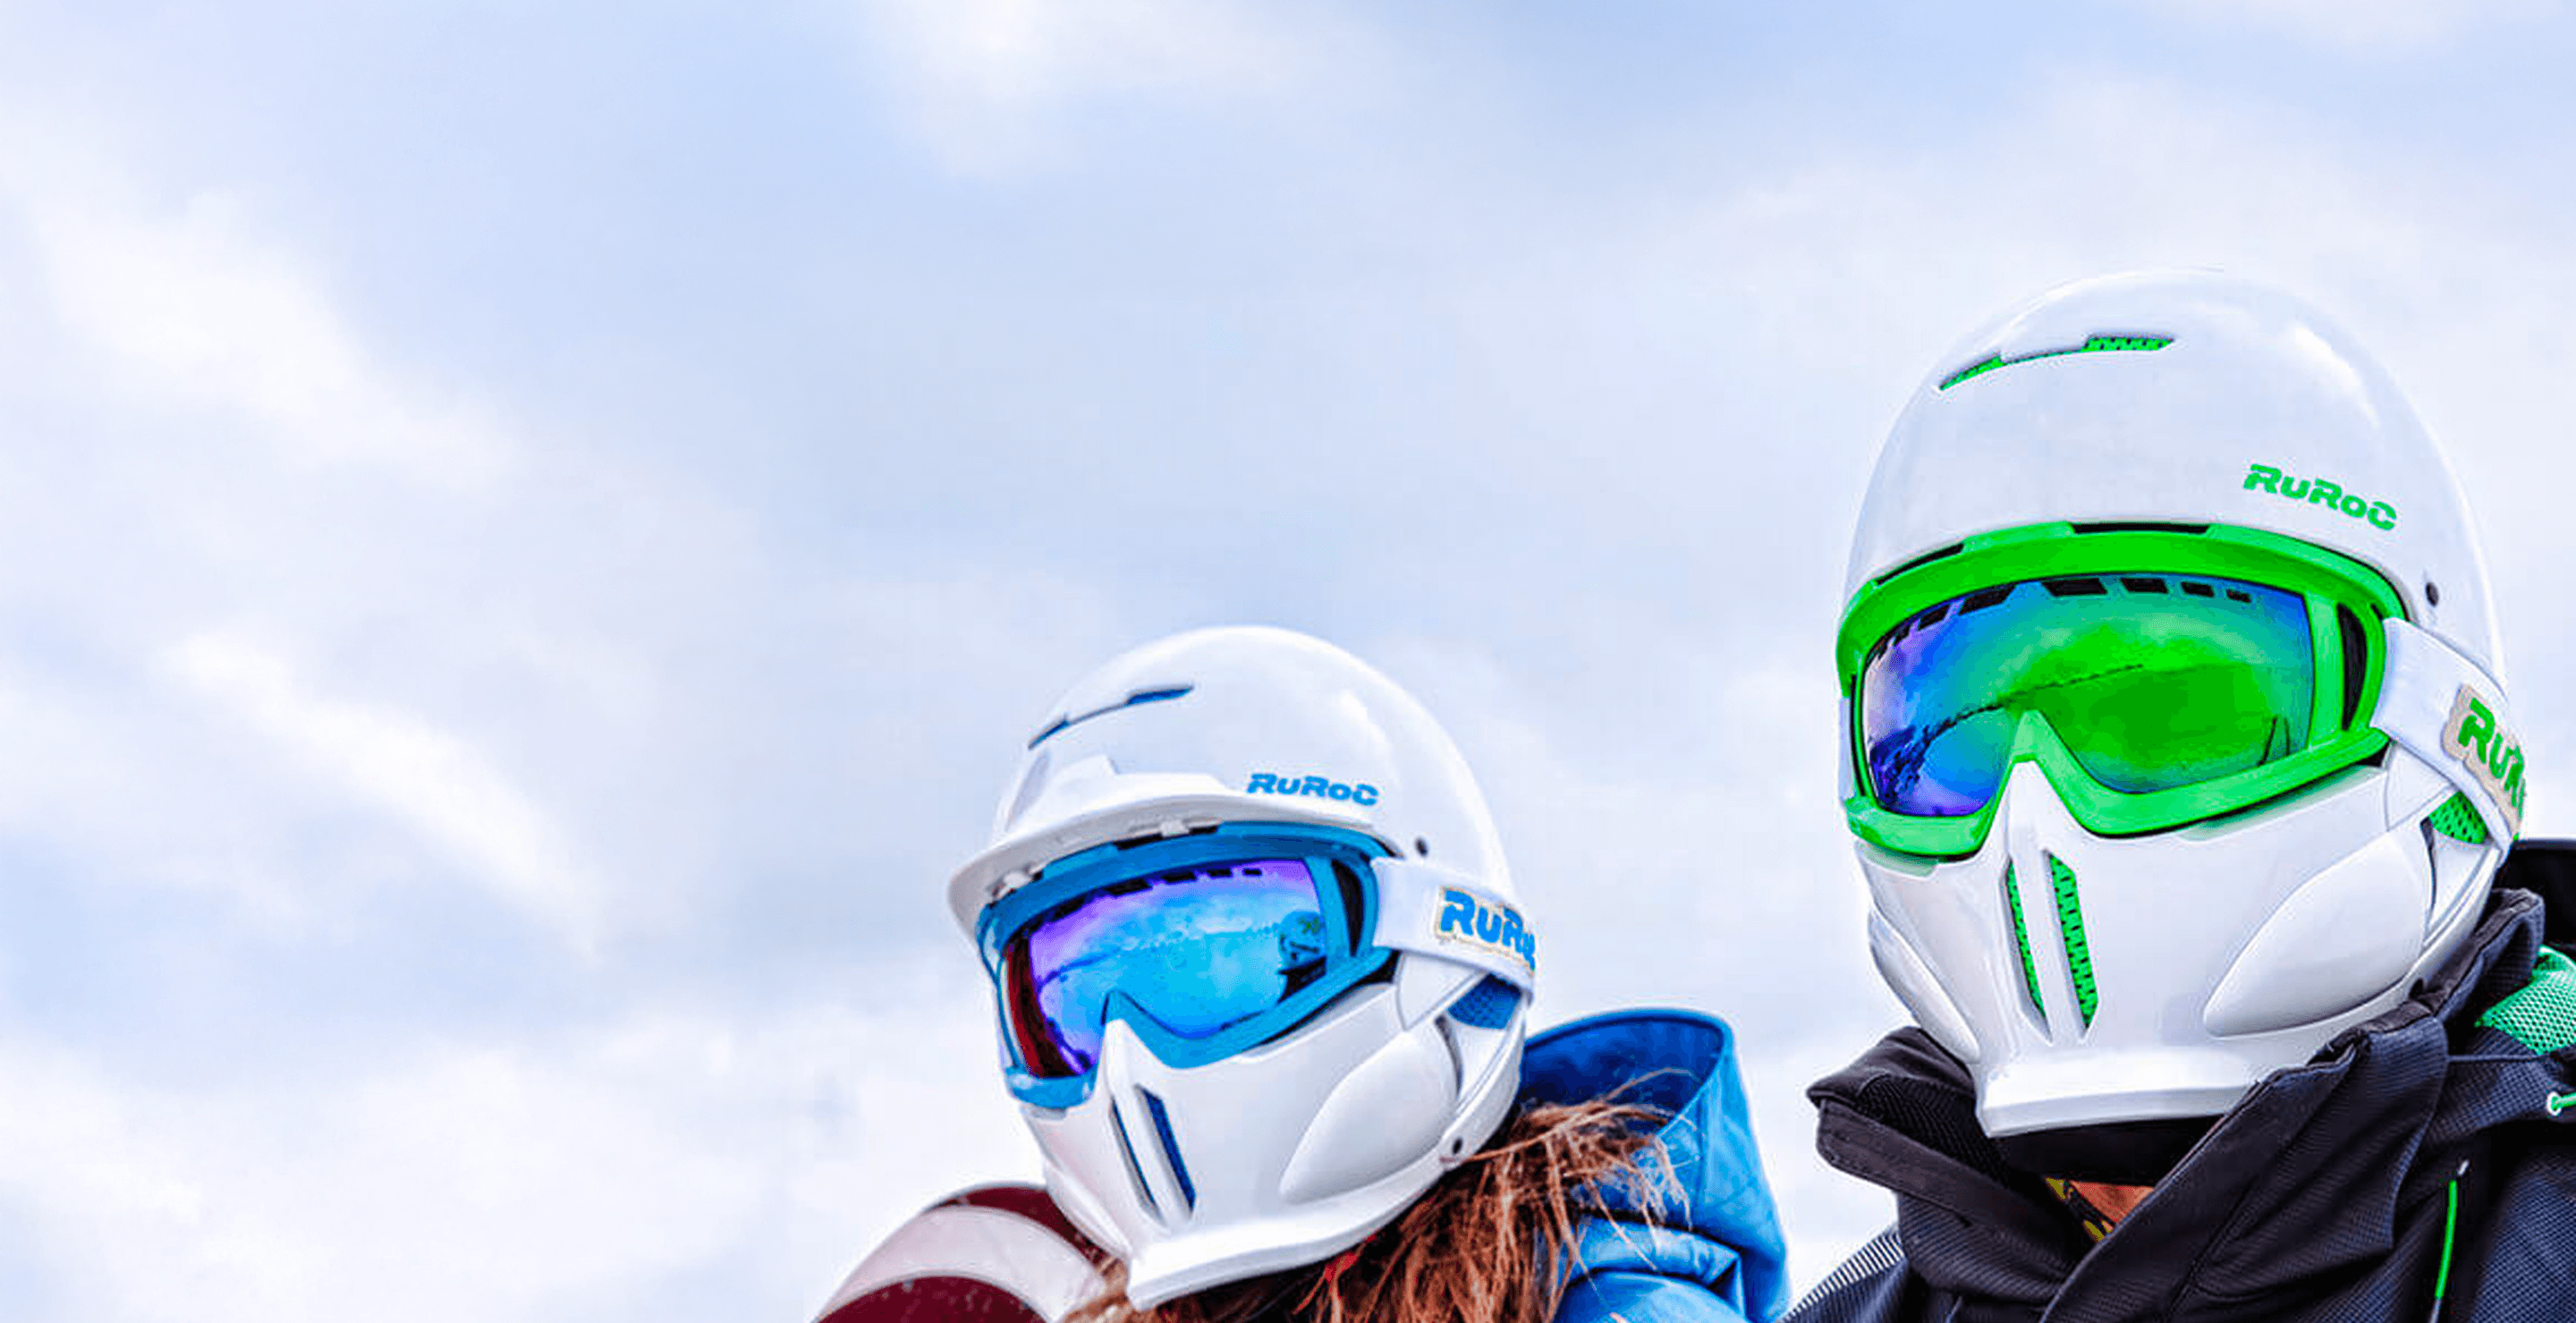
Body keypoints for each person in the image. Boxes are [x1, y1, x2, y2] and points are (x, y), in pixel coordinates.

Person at [1787, 272, 2574, 1322]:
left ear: (2442, 714)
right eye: (1949, 732)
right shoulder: (1865, 1304)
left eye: (2178, 711)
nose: (2036, 810)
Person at [822, 624, 1787, 1323]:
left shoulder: (1615, 1304)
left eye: (1219, 958)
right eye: (1070, 993)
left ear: (1435, 932)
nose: (1126, 1055)